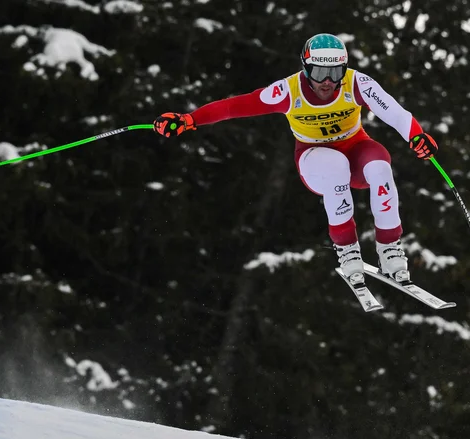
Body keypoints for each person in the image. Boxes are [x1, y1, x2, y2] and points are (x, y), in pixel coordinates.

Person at [153, 33, 438, 287]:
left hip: (355, 148)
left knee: (380, 165)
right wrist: (190, 119)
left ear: (345, 68)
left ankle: (389, 248)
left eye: (335, 71)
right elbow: (235, 106)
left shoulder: (357, 83)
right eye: (319, 72)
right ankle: (347, 249)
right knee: (336, 166)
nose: (327, 81)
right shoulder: (288, 91)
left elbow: (394, 112)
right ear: (305, 67)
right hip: (314, 158)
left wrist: (416, 136)